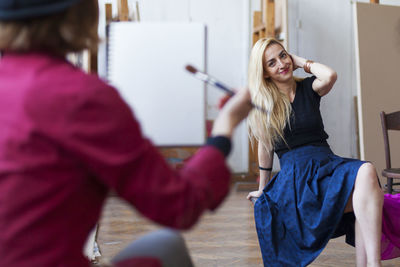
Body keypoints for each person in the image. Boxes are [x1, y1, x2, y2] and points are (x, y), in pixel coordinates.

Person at [0, 1, 252, 266]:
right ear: (79, 15)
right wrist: (224, 129)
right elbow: (179, 204)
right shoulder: (80, 97)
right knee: (166, 245)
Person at [245, 37, 384, 267]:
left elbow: (330, 76)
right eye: (272, 63)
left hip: (327, 164)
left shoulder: (309, 88)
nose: (281, 64)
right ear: (265, 73)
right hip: (296, 177)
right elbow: (265, 147)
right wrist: (262, 189)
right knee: (367, 192)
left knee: (367, 172)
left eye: (282, 55)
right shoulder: (265, 103)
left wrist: (299, 61)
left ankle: (371, 264)